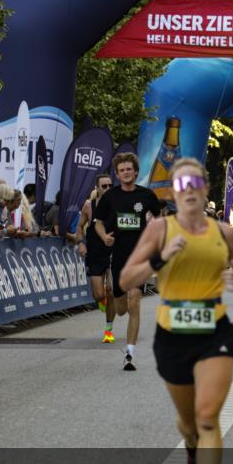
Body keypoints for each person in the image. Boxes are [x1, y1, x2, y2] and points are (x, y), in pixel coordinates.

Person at [118, 158, 233, 464]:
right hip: (172, 335)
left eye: (196, 181)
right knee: (189, 423)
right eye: (181, 183)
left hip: (214, 331)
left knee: (208, 416)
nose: (189, 188)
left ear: (206, 188)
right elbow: (128, 276)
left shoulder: (223, 233)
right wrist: (163, 256)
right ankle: (193, 446)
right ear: (175, 193)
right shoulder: (161, 228)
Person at [94, 152, 162, 371]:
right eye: (122, 170)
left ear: (135, 172)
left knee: (135, 300)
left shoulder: (146, 195)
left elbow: (159, 219)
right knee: (122, 307)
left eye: (129, 169)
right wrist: (104, 236)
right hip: (118, 256)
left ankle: (130, 354)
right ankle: (116, 302)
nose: (126, 173)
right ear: (117, 174)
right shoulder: (110, 197)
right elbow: (98, 223)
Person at [77, 173, 117, 342]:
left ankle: (108, 331)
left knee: (111, 291)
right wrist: (80, 243)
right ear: (97, 188)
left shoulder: (118, 204)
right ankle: (102, 303)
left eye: (110, 186)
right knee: (99, 294)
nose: (108, 189)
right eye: (104, 186)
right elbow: (79, 226)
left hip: (114, 252)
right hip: (94, 253)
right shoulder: (89, 206)